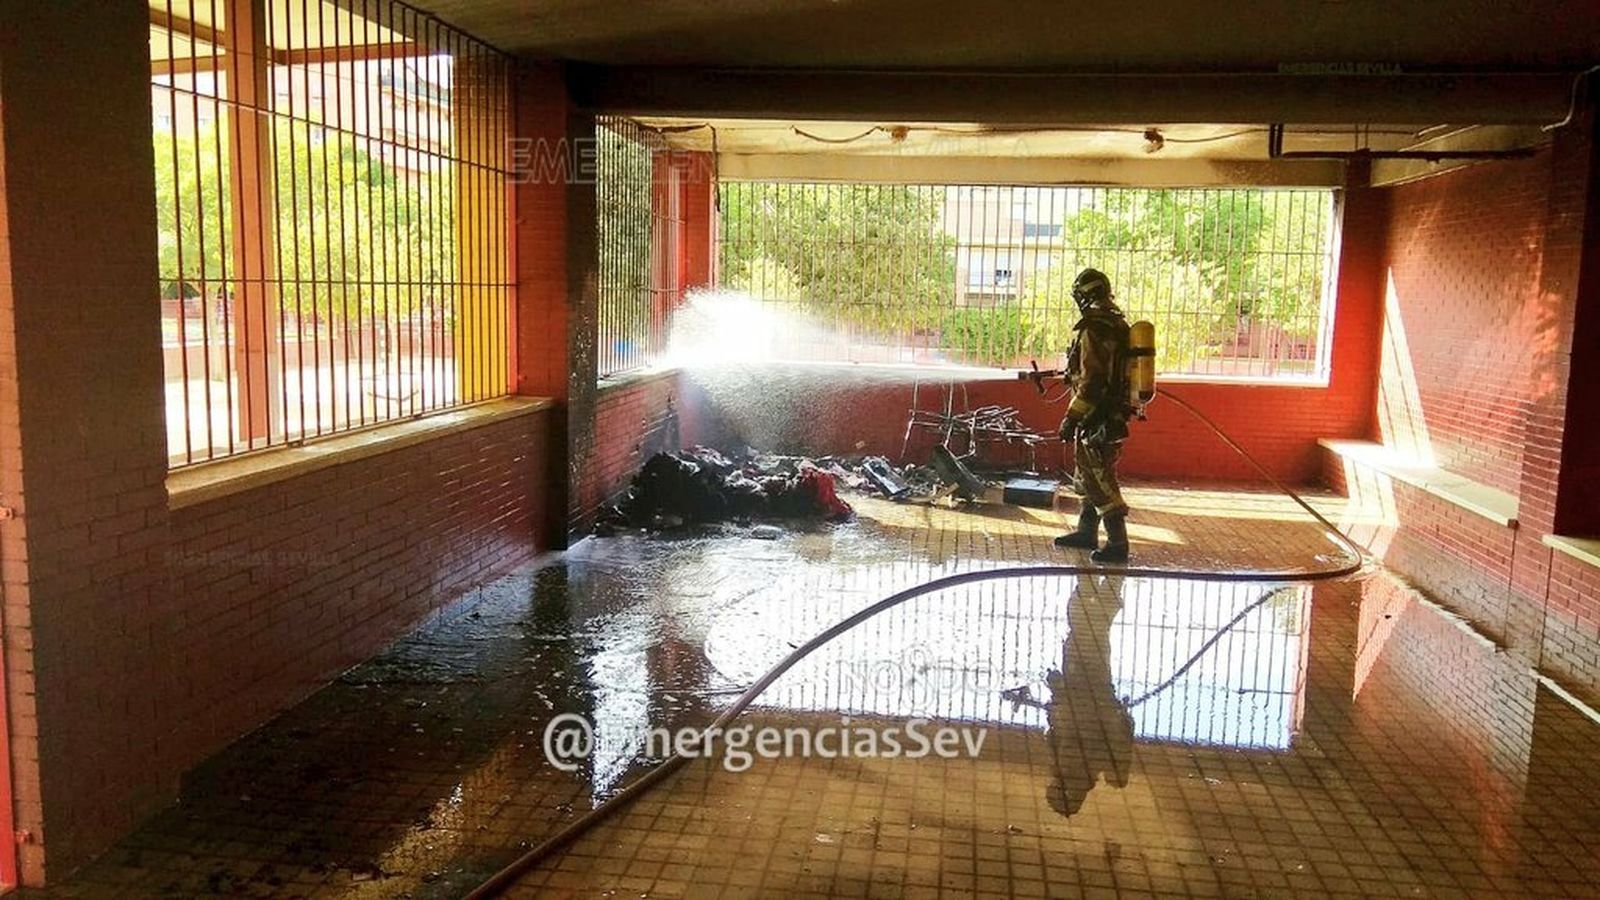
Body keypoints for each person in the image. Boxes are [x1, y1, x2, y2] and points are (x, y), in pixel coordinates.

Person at [1054, 268, 1133, 562]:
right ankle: (1086, 532)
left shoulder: (1094, 328)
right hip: (1109, 413)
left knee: (1100, 478)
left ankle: (1117, 543)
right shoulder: (1116, 323)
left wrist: (1071, 417)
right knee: (1086, 475)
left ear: (1084, 297)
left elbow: (1092, 382)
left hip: (1098, 415)